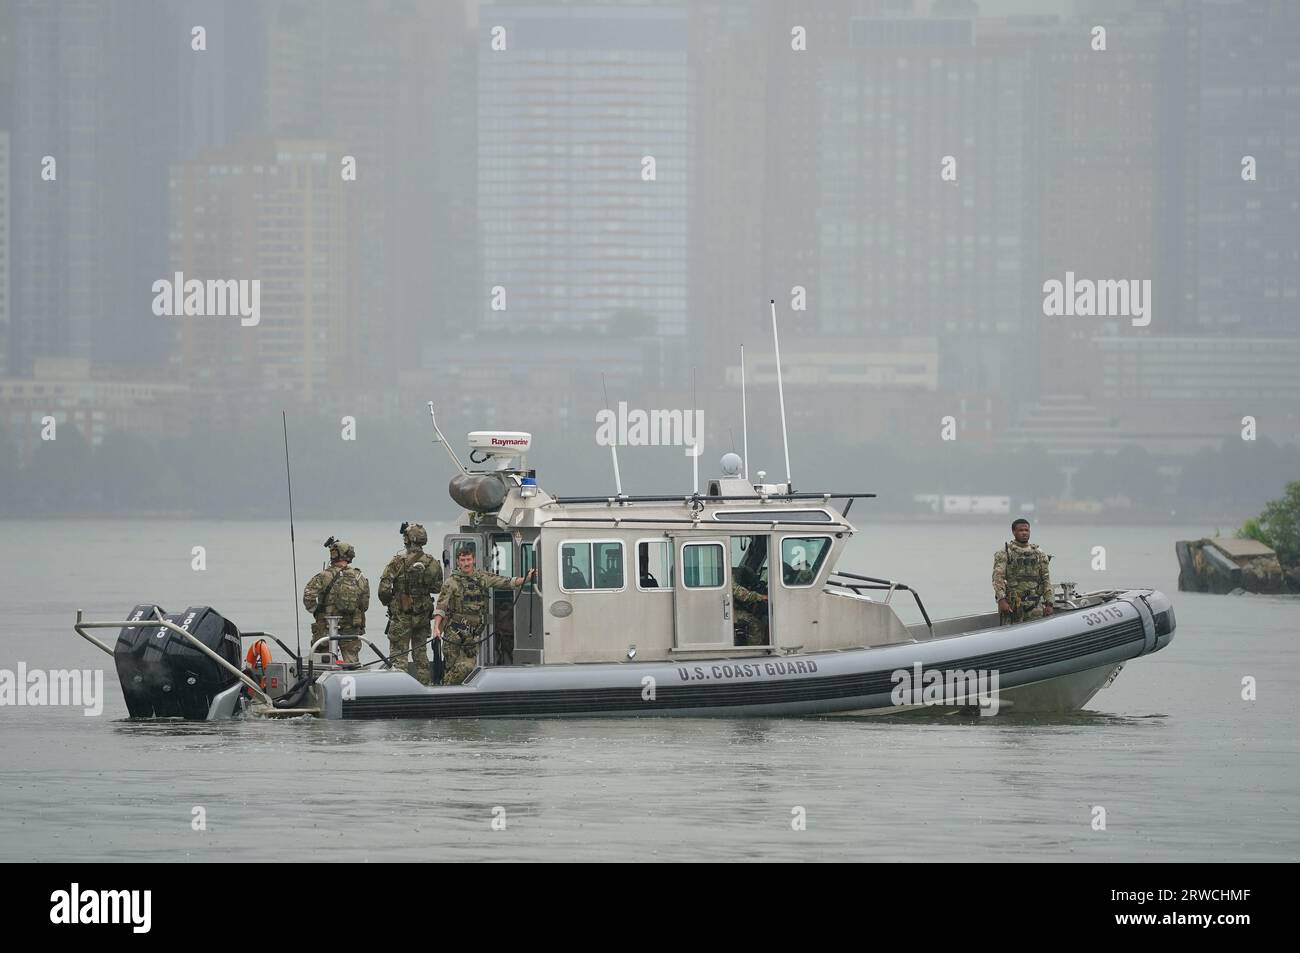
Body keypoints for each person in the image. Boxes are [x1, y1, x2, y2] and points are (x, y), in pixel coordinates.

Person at [433, 546, 534, 685]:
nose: (466, 563)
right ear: (458, 562)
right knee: (452, 668)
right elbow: (441, 607)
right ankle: (447, 693)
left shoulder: (483, 578)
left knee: (467, 668)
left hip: (473, 634)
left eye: (468, 559)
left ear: (473, 559)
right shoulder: (451, 582)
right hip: (454, 633)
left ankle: (448, 689)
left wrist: (527, 579)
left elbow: (506, 582)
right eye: (462, 560)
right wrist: (436, 628)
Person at [378, 522, 443, 685]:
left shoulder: (397, 562)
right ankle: (425, 687)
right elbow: (437, 587)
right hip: (422, 617)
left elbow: (383, 590)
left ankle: (400, 689)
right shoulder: (433, 562)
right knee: (421, 655)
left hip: (401, 615)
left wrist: (390, 602)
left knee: (399, 657)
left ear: (408, 539)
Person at [302, 537, 370, 663]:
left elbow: (308, 597)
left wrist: (317, 611)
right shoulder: (360, 577)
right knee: (351, 662)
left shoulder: (324, 576)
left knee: (323, 662)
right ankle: (350, 681)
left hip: (326, 626)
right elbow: (364, 605)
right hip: (351, 627)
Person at [992, 518, 1054, 625]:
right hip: (1013, 605)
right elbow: (998, 578)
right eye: (1021, 530)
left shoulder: (1039, 553)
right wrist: (1001, 600)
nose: (1024, 533)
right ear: (1014, 532)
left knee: (1036, 632)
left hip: (1034, 604)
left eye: (1027, 530)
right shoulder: (1005, 553)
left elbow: (1046, 579)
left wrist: (1049, 603)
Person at [732, 577, 769, 647]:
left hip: (726, 610)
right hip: (730, 613)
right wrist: (761, 597)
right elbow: (743, 595)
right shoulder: (728, 580)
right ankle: (754, 648)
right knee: (755, 623)